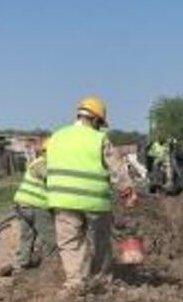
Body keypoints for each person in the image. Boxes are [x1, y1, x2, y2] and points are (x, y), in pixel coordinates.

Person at [46, 97, 137, 289]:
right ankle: (101, 282)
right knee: (101, 242)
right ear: (95, 120)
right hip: (95, 201)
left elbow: (45, 167)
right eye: (100, 124)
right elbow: (117, 168)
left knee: (70, 244)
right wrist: (127, 191)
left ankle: (75, 284)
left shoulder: (56, 137)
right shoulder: (99, 139)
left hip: (62, 200)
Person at [12, 138, 56, 269]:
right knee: (50, 239)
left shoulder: (37, 162)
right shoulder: (43, 163)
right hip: (36, 205)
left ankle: (23, 262)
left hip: (22, 204)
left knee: (27, 235)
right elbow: (52, 180)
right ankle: (51, 266)